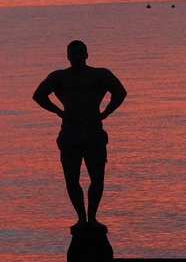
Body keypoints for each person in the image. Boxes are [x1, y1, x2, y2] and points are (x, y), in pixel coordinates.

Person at [33, 41, 126, 230]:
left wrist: (106, 112)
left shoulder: (99, 74)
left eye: (79, 54)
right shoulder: (59, 77)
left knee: (97, 178)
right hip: (70, 132)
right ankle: (81, 219)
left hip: (93, 131)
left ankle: (92, 218)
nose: (76, 57)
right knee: (71, 179)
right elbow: (39, 95)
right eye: (72, 54)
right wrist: (59, 112)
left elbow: (120, 92)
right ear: (67, 57)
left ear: (86, 55)